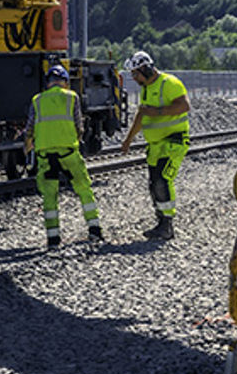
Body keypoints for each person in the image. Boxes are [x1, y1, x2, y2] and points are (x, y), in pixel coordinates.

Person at [26, 64, 102, 247]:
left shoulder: (37, 100)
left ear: (48, 83)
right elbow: (79, 126)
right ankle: (94, 230)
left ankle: (53, 239)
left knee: (49, 196)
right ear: (66, 82)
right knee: (84, 188)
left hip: (45, 156)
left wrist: (29, 151)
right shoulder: (71, 97)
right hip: (68, 153)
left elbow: (29, 130)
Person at [119, 50, 190, 240]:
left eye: (136, 73)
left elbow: (184, 106)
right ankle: (161, 223)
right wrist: (128, 140)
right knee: (154, 184)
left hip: (173, 142)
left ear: (147, 68)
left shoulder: (169, 83)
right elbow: (142, 115)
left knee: (162, 180)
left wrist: (156, 112)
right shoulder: (146, 89)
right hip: (156, 146)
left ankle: (167, 225)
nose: (134, 78)